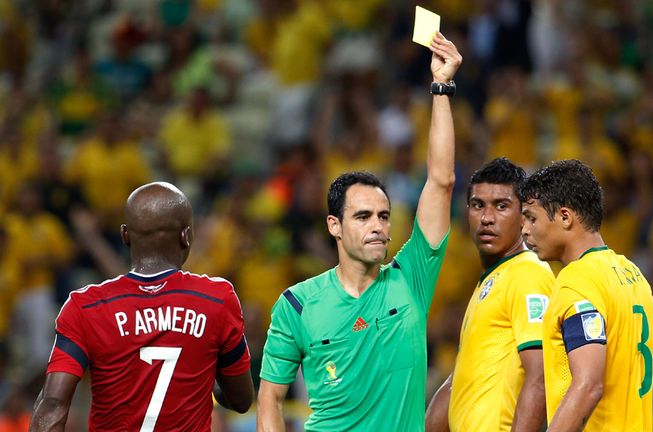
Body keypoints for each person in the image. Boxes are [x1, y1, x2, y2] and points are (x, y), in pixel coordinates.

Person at [257, 32, 462, 432]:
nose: (378, 227)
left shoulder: (412, 278)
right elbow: (270, 398)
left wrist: (441, 87)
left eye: (384, 217)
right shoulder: (296, 305)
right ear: (334, 225)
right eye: (363, 216)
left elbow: (441, 181)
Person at [30, 182, 254, 431]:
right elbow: (241, 399)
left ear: (125, 235)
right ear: (186, 235)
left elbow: (52, 406)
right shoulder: (217, 299)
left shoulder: (84, 306)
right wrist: (203, 373)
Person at [519, 159, 653, 431]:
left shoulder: (577, 281)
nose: (524, 230)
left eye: (532, 218)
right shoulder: (634, 275)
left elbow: (589, 384)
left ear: (565, 217)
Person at [425, 158, 554, 431]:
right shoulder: (492, 279)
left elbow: (541, 376)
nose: (486, 218)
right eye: (478, 205)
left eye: (501, 206)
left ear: (524, 216)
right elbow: (460, 380)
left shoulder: (528, 273)